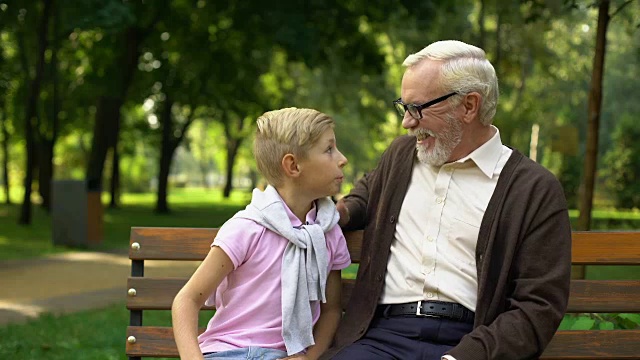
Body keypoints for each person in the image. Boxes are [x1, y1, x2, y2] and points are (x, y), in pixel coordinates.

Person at [321, 40, 572, 360]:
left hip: (471, 344)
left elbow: (538, 306)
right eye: (404, 106)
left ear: (469, 106)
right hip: (381, 338)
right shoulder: (401, 156)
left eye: (418, 108)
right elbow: (363, 197)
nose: (406, 122)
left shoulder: (534, 190)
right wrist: (327, 213)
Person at [172, 107, 351, 360]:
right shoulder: (247, 228)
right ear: (293, 165)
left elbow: (331, 310)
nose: (342, 158)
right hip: (226, 353)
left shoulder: (327, 234)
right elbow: (187, 300)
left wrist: (309, 359)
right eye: (329, 149)